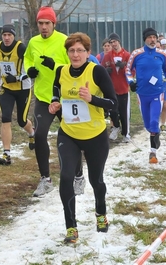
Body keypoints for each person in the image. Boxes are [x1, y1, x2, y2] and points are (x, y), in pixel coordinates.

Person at [48, 32, 117, 243]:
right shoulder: (61, 71)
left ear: (88, 53)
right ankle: (71, 227)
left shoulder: (97, 71)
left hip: (95, 135)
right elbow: (56, 90)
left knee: (96, 180)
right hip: (69, 133)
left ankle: (101, 213)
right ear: (67, 52)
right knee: (66, 177)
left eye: (80, 50)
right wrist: (54, 103)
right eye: (71, 50)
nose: (75, 54)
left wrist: (92, 98)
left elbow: (114, 103)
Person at [24, 6, 85, 197]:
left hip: (66, 97)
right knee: (40, 135)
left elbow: (75, 64)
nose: (43, 27)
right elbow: (27, 59)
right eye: (40, 23)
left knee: (72, 137)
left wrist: (56, 66)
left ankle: (78, 177)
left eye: (47, 23)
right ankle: (45, 179)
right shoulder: (33, 42)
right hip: (44, 97)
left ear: (53, 24)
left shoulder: (64, 41)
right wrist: (29, 71)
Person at [0, 24, 35, 166]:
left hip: (23, 88)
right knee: (5, 118)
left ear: (14, 36)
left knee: (22, 121)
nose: (6, 38)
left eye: (9, 35)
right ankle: (7, 154)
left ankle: (32, 133)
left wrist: (17, 78)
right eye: (4, 35)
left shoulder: (21, 48)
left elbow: (29, 69)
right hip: (6, 88)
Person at [126, 27, 166, 164]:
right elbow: (128, 70)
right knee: (148, 125)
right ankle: (155, 134)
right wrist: (131, 82)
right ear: (145, 39)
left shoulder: (162, 54)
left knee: (153, 121)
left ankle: (153, 153)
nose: (152, 40)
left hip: (157, 93)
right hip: (142, 93)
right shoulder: (137, 54)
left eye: (154, 37)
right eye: (149, 37)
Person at [101, 32, 131, 142]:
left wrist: (125, 67)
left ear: (119, 42)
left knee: (124, 112)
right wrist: (106, 71)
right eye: (111, 42)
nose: (113, 44)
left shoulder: (127, 55)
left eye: (114, 41)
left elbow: (132, 70)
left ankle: (126, 133)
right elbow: (102, 68)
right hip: (112, 89)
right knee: (112, 110)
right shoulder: (108, 56)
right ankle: (116, 127)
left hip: (123, 88)